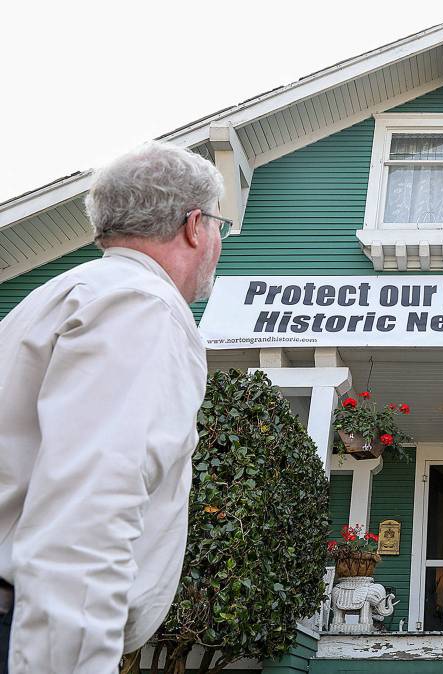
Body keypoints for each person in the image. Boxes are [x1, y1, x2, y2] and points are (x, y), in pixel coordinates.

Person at [0, 142, 228, 673]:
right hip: (27, 635)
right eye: (219, 224)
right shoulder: (144, 306)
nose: (220, 241)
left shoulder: (52, 299)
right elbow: (90, 508)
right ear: (195, 225)